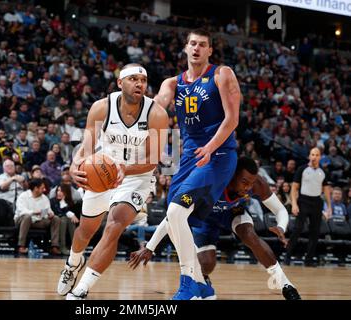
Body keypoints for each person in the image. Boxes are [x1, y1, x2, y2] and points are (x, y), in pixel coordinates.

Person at [57, 63, 168, 299]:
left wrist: (125, 169)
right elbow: (86, 148)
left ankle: (81, 290)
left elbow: (153, 160)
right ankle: (73, 264)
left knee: (114, 225)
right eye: (133, 79)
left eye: (143, 80)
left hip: (136, 176)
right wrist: (75, 165)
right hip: (103, 172)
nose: (139, 84)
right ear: (120, 83)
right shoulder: (101, 108)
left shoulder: (157, 114)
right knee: (85, 231)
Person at [129, 157, 301, 300]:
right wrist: (150, 247)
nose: (248, 187)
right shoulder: (210, 181)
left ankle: (286, 285)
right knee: (207, 263)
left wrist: (281, 226)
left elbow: (279, 209)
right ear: (231, 176)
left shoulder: (256, 184)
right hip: (206, 218)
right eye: (244, 182)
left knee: (250, 235)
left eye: (251, 183)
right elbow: (171, 217)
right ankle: (203, 283)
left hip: (233, 213)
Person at [152, 28, 240, 299]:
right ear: (186, 48)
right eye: (192, 43)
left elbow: (232, 119)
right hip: (188, 156)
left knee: (178, 213)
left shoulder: (221, 74)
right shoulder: (172, 83)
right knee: (173, 217)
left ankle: (187, 284)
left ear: (210, 50)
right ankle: (201, 283)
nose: (196, 48)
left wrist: (210, 147)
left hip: (219, 154)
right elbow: (157, 107)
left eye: (202, 44)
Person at [285, 147, 332, 267]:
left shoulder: (323, 172)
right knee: (297, 229)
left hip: (317, 202)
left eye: (317, 155)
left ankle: (309, 260)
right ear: (309, 156)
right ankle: (287, 256)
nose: (314, 157)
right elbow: (294, 188)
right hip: (303, 201)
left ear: (320, 157)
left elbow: (326, 191)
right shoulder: (302, 169)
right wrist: (294, 204)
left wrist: (329, 207)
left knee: (315, 232)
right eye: (312, 154)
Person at [14, 178, 61, 255]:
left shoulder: (44, 198)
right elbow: (21, 211)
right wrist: (34, 212)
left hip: (39, 220)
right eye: (42, 188)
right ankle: (21, 246)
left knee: (55, 218)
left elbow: (48, 210)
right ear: (36, 188)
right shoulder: (23, 196)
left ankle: (54, 246)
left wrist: (51, 214)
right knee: (27, 217)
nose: (44, 190)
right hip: (22, 220)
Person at [50, 184, 79, 255]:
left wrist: (70, 214)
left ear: (66, 192)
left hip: (65, 221)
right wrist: (70, 214)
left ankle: (75, 247)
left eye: (61, 191)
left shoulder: (70, 202)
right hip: (54, 221)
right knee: (64, 219)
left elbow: (75, 218)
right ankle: (62, 246)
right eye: (58, 190)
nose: (59, 193)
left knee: (70, 220)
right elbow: (58, 212)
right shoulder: (53, 201)